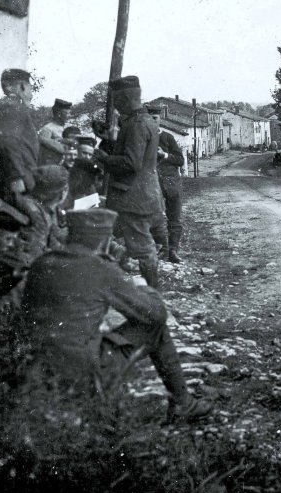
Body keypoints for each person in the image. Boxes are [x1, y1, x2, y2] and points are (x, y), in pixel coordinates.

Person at [20, 208, 212, 422]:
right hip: (81, 372)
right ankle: (183, 403)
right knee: (155, 328)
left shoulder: (42, 263)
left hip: (33, 368)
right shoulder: (100, 267)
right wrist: (144, 288)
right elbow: (156, 315)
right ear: (103, 241)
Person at [93, 76, 165, 288]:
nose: (115, 106)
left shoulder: (136, 124)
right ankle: (150, 297)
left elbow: (131, 163)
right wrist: (109, 140)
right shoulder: (144, 121)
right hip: (143, 194)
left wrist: (103, 158)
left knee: (142, 249)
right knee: (138, 246)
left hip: (134, 198)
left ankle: (154, 301)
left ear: (125, 98)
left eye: (117, 101)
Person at [0, 165, 69, 306]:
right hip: (13, 286)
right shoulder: (36, 214)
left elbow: (52, 241)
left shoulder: (42, 209)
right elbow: (34, 256)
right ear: (62, 192)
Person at [146, 104, 185, 263]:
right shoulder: (142, 137)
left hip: (171, 184)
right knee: (154, 218)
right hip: (151, 185)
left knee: (174, 218)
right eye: (149, 119)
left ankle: (173, 251)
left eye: (155, 118)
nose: (152, 121)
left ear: (160, 119)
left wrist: (165, 155)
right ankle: (162, 249)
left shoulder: (168, 138)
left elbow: (180, 160)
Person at [0, 68, 38, 208]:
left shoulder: (5, 106)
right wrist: (16, 177)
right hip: (17, 183)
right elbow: (7, 140)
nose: (31, 95)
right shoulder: (13, 106)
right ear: (22, 86)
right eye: (30, 89)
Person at [38, 98, 72, 165]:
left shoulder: (69, 126)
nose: (70, 116)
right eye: (67, 114)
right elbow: (43, 153)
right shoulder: (47, 129)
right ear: (59, 114)